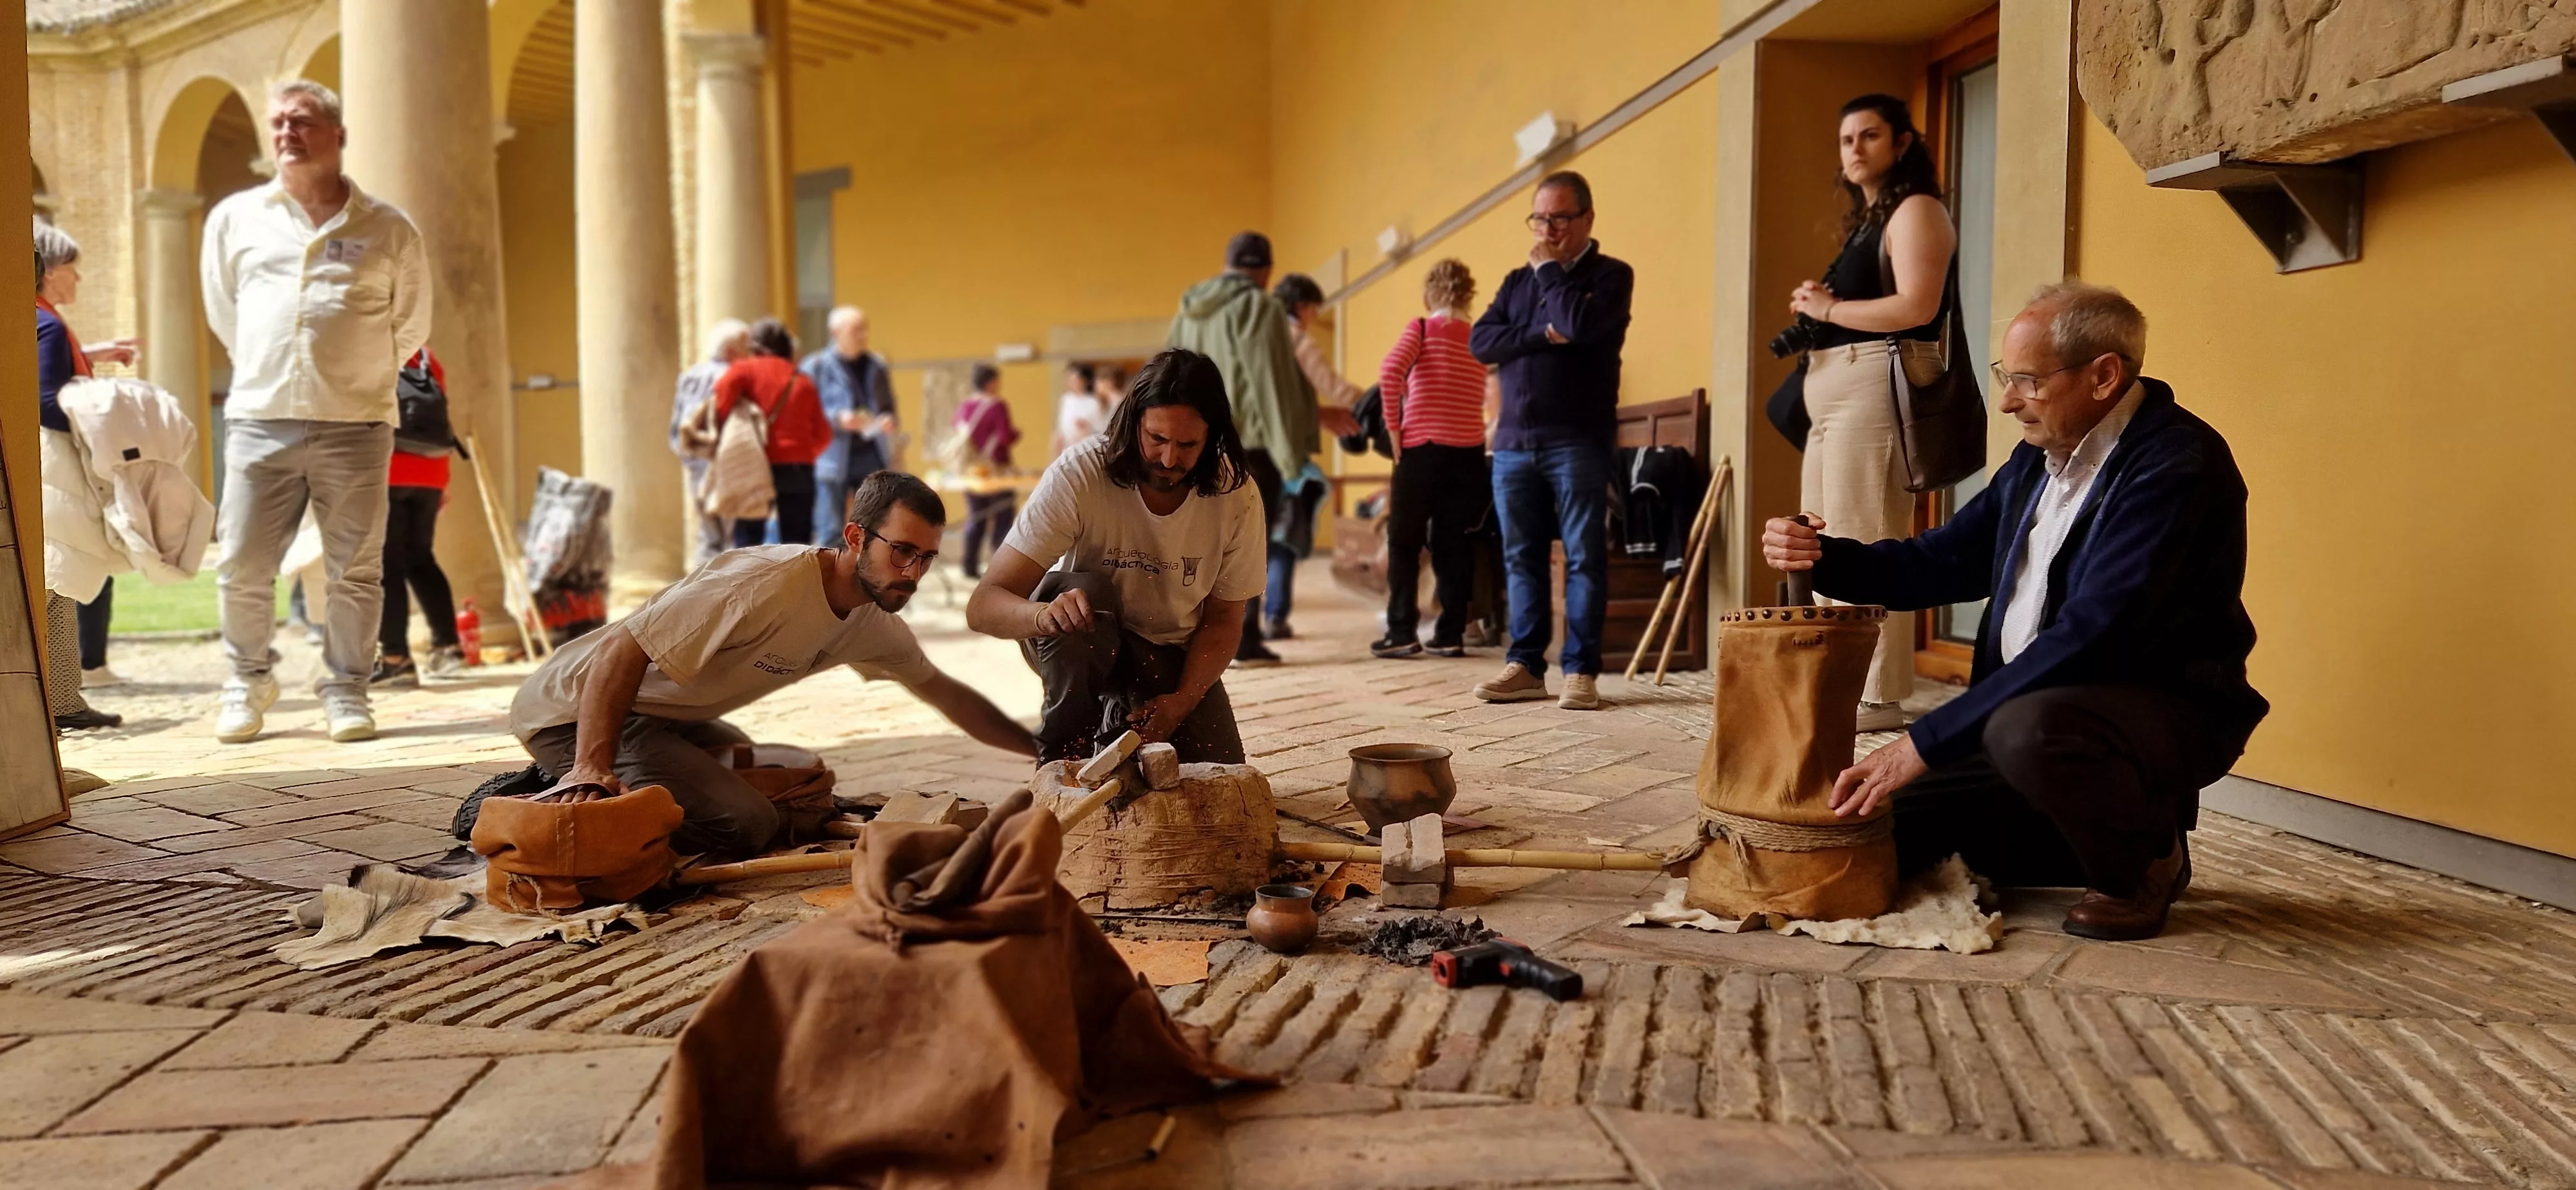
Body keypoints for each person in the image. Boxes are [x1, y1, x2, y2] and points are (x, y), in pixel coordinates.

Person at [1763, 283, 2267, 941]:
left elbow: (2092, 636)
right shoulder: (2036, 463)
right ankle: (2065, 838)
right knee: (1854, 832)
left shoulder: (2176, 466)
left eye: (2026, 381)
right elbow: (1939, 562)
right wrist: (1823, 557)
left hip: (2139, 717)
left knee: (2025, 732)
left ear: (2103, 376)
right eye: (2008, 378)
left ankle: (2144, 856)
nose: (2005, 401)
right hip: (2023, 719)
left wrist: (1921, 742)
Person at [511, 471, 1037, 859]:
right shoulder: (763, 584)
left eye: (925, 558)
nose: (912, 572)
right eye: (901, 551)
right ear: (855, 539)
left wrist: (1040, 751)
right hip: (571, 714)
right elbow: (620, 651)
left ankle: (624, 781)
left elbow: (945, 692)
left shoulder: (871, 620)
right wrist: (591, 765)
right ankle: (542, 795)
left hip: (667, 718)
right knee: (747, 823)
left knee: (796, 774)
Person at [200, 79, 430, 744]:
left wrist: (354, 373)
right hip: (259, 417)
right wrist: (267, 364)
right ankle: (246, 680)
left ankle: (347, 689)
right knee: (242, 561)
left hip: (356, 423)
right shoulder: (236, 219)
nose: (285, 133)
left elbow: (411, 323)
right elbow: (225, 311)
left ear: (337, 136)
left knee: (354, 567)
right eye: (277, 123)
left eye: (301, 122)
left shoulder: (388, 227)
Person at [965, 348, 1264, 764]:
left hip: (1167, 650)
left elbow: (1224, 620)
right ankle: (1064, 754)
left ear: (1213, 439)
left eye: (1188, 444)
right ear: (1133, 421)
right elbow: (983, 606)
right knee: (1083, 598)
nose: (1169, 459)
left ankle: (1119, 712)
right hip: (1078, 642)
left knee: (1222, 767)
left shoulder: (1236, 493)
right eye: (1156, 439)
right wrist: (1042, 617)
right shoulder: (1080, 473)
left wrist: (1182, 701)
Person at [1787, 94, 1960, 733]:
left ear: (1903, 143)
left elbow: (1917, 305)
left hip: (1873, 384)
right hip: (1833, 387)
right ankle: (1838, 680)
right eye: (1846, 139)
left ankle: (1877, 698)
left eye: (1869, 136)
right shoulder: (1870, 218)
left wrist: (1828, 310)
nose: (1854, 149)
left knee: (1863, 534)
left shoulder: (1916, 210)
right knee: (1821, 540)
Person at [1469, 171, 1632, 712]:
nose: (1548, 229)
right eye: (1540, 219)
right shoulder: (1516, 282)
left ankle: (1581, 671)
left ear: (1587, 218)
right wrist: (1540, 336)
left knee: (1584, 556)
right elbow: (1481, 341)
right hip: (1513, 441)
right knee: (1521, 557)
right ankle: (1526, 666)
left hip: (1577, 441)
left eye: (1560, 218)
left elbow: (1578, 324)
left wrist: (1549, 274)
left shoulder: (1610, 276)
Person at [1166, 231, 1356, 668]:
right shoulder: (1262, 309)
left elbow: (1169, 371)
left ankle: (1189, 639)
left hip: (1196, 445)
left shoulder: (1190, 307)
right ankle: (1242, 640)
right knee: (1249, 547)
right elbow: (1272, 386)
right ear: (1267, 272)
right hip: (1249, 448)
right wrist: (1292, 455)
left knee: (1199, 542)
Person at [33, 219, 135, 730]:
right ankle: (59, 698)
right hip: (54, 466)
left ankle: (64, 697)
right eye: (72, 270)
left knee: (59, 585)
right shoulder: (47, 324)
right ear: (48, 272)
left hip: (40, 467)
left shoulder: (32, 318)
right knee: (57, 583)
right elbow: (48, 403)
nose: (77, 280)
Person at [1372, 258, 1489, 660]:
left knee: (1404, 541)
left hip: (1422, 451)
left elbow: (1390, 373)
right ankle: (1451, 632)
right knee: (1453, 544)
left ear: (1428, 296)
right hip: (1469, 455)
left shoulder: (1422, 328)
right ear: (1468, 296)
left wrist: (1394, 429)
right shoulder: (1478, 339)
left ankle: (1401, 630)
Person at [1267, 273, 1358, 642]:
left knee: (1249, 541)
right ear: (1302, 307)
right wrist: (1369, 404)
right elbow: (1331, 385)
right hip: (1286, 455)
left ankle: (1245, 627)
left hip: (1246, 452)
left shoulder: (1256, 340)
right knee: (1284, 537)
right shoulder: (1296, 339)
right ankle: (1274, 617)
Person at [372, 349, 464, 687]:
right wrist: (445, 482)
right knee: (421, 558)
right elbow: (441, 419)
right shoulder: (426, 358)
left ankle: (396, 658)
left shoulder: (370, 349)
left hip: (388, 468)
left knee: (388, 563)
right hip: (432, 471)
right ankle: (448, 647)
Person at [712, 318, 831, 548]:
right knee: (796, 546)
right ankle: (797, 584)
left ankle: (747, 584)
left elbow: (721, 401)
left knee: (748, 543)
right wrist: (803, 452)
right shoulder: (802, 380)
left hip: (755, 464)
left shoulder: (743, 370)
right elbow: (823, 434)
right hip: (798, 468)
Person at [800, 305, 898, 543]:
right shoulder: (815, 367)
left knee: (875, 525)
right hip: (831, 458)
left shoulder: (877, 366)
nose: (864, 335)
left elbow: (889, 407)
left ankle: (868, 579)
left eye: (865, 329)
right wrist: (837, 419)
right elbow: (804, 413)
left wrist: (887, 419)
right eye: (856, 330)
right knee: (831, 528)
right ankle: (827, 579)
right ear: (835, 333)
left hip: (871, 455)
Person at [672, 319, 753, 567]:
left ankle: (700, 597)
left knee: (708, 536)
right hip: (727, 466)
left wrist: (690, 458)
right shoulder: (734, 378)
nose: (750, 353)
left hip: (695, 463)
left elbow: (677, 425)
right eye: (745, 347)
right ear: (731, 351)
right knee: (735, 539)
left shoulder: (690, 376)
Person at [952, 363, 1021, 578]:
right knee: (1003, 517)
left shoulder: (964, 407)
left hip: (972, 471)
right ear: (991, 382)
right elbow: (1005, 437)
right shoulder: (997, 406)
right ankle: (1000, 569)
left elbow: (957, 431)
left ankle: (969, 564)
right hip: (996, 470)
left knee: (976, 517)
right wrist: (1016, 434)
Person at [1052, 362, 1104, 457]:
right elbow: (1061, 425)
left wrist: (1087, 427)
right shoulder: (1066, 399)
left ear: (1084, 381)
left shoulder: (1093, 402)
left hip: (1086, 447)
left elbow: (1100, 427)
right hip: (1066, 446)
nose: (1072, 383)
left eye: (1075, 379)